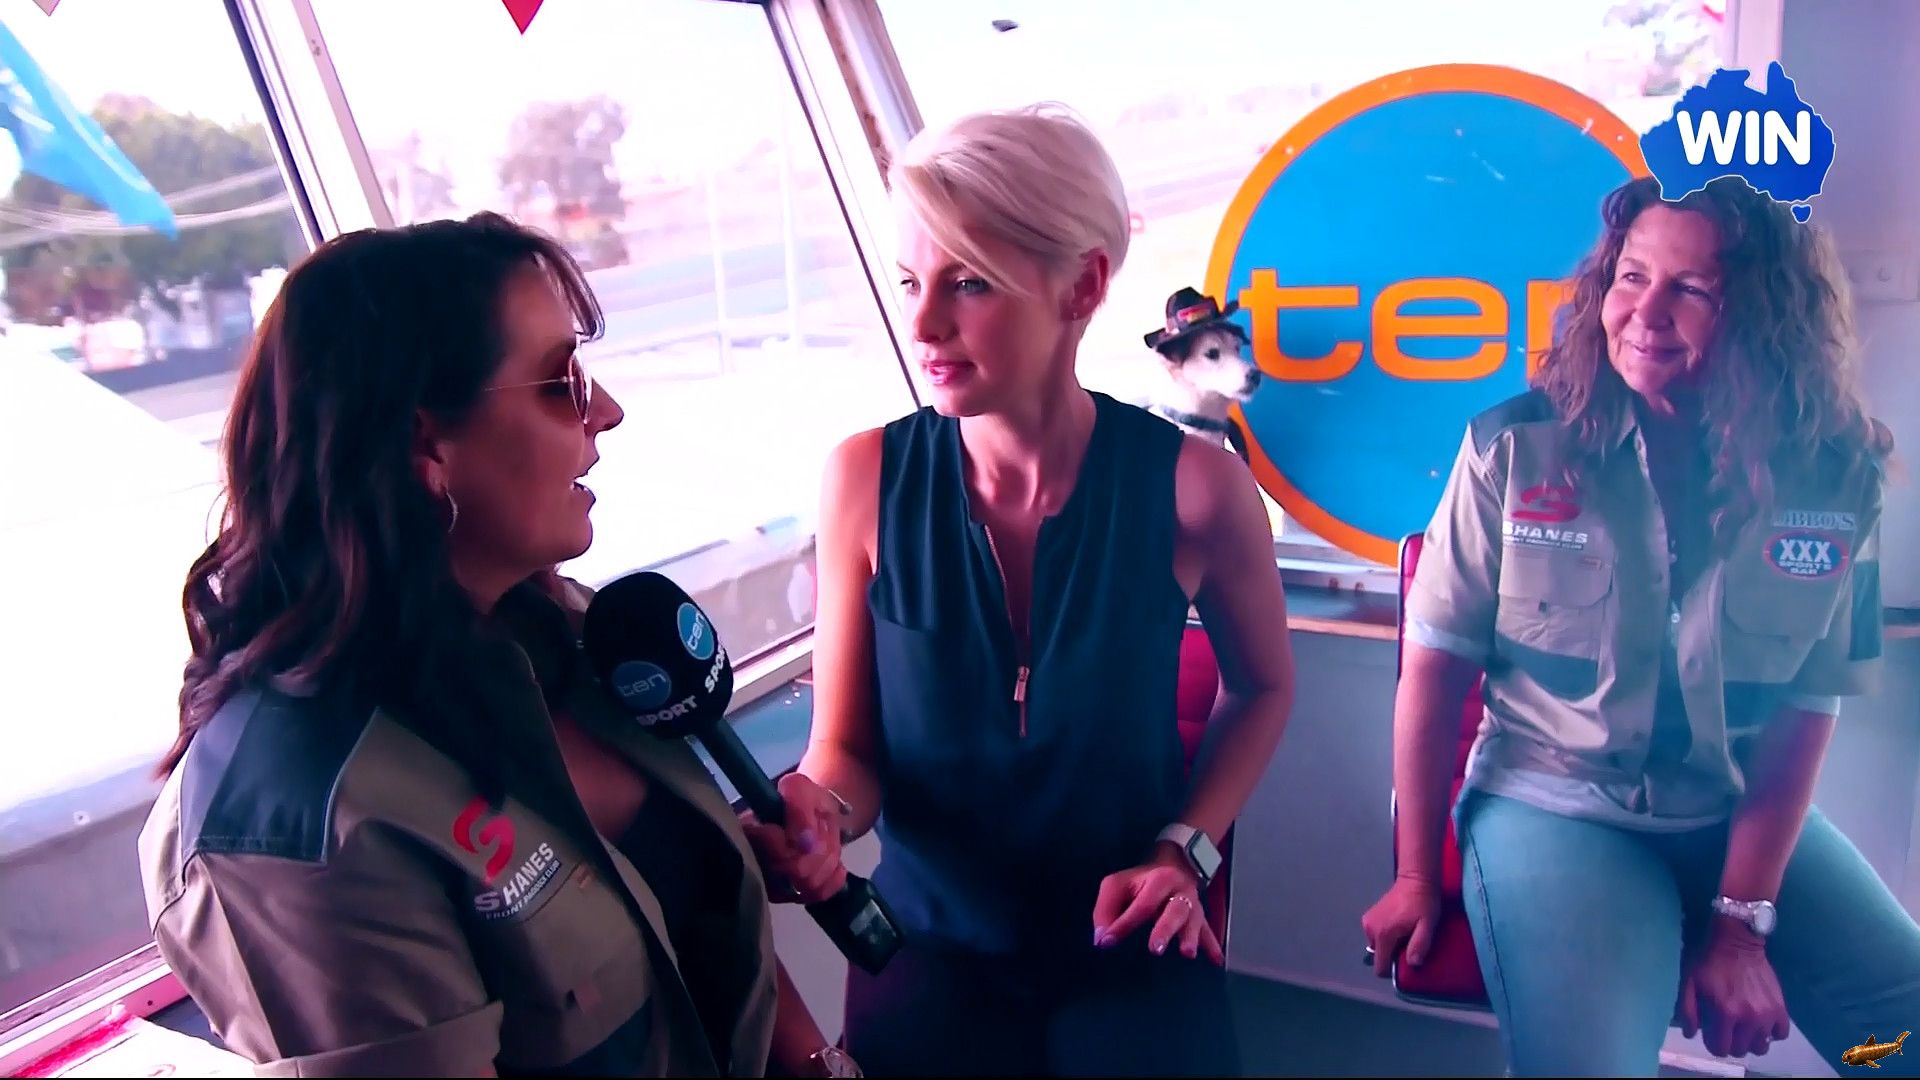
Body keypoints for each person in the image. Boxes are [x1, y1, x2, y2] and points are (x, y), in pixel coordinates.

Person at [137, 213, 862, 1078]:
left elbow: (705, 937)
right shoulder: (296, 828)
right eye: (560, 382)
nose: (608, 412)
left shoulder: (567, 631)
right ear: (425, 443)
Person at [742, 104, 1296, 1077]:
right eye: (910, 282)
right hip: (929, 948)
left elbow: (1264, 688)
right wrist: (820, 812)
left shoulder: (1198, 488)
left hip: (1133, 942)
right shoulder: (863, 479)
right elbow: (848, 751)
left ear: (1082, 285)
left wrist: (1187, 851)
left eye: (968, 282)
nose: (923, 323)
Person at [1360, 175, 1920, 1076]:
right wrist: (1417, 876)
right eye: (1631, 276)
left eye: (1691, 289)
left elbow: (1805, 711)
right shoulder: (1513, 447)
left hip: (1733, 809)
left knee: (1900, 1038)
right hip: (1553, 806)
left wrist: (1741, 926)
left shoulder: (1840, 475)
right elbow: (1433, 671)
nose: (1645, 313)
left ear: (1768, 320)